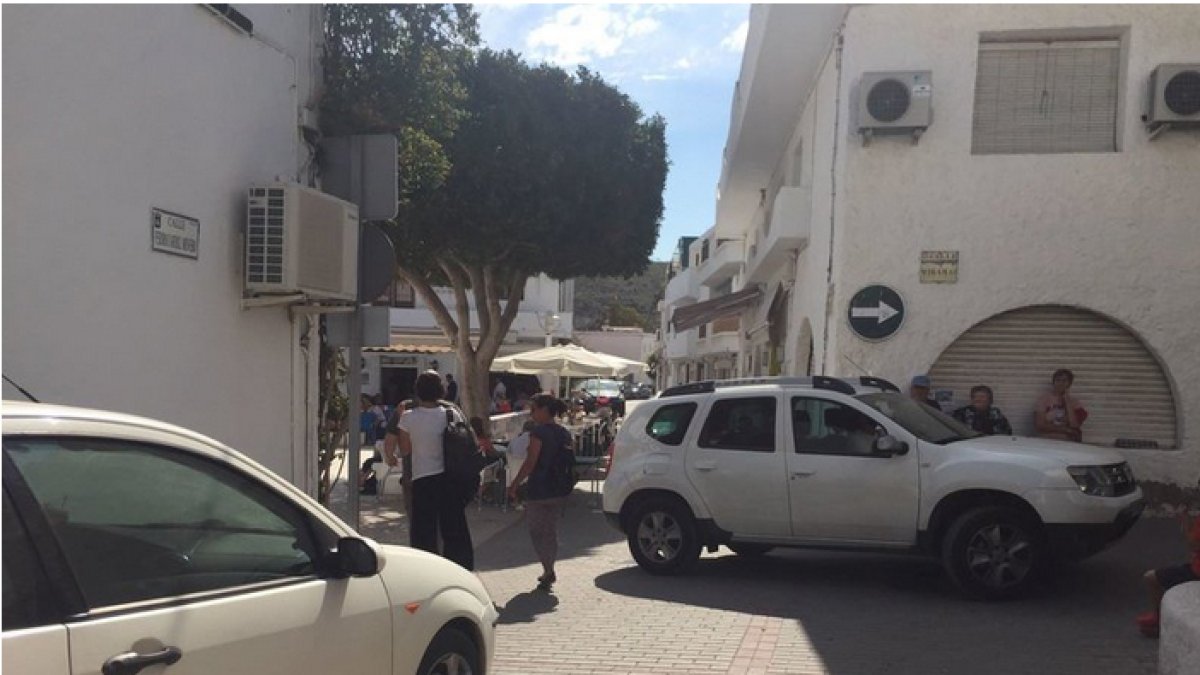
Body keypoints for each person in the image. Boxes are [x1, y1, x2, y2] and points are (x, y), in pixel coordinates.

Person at [385, 371, 474, 570]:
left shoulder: (407, 417)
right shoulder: (452, 412)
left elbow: (406, 450)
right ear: (441, 390)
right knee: (454, 529)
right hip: (451, 479)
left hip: (423, 478)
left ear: (417, 390)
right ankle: (460, 568)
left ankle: (426, 569)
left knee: (424, 530)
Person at [507, 394, 573, 590]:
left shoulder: (538, 433)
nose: (531, 413)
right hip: (559, 488)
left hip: (540, 487)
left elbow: (530, 463)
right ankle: (548, 568)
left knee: (536, 530)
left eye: (533, 409)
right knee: (550, 530)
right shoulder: (564, 433)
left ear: (544, 410)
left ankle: (548, 569)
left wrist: (515, 484)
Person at [1136, 512, 1200, 637]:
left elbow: (1194, 545)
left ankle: (1158, 618)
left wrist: (1186, 528)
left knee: (1151, 577)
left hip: (1196, 570)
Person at [1035, 369, 1086, 442]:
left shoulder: (1075, 402)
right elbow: (1040, 426)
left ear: (1069, 383)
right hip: (1046, 440)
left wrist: (1067, 402)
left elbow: (1074, 425)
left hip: (1067, 442)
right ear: (1054, 382)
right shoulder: (1044, 400)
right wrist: (1065, 430)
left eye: (1064, 381)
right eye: (1058, 380)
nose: (1060, 383)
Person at [505, 420, 536, 509]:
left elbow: (508, 453)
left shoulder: (514, 440)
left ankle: (514, 499)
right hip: (527, 472)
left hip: (513, 471)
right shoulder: (533, 442)